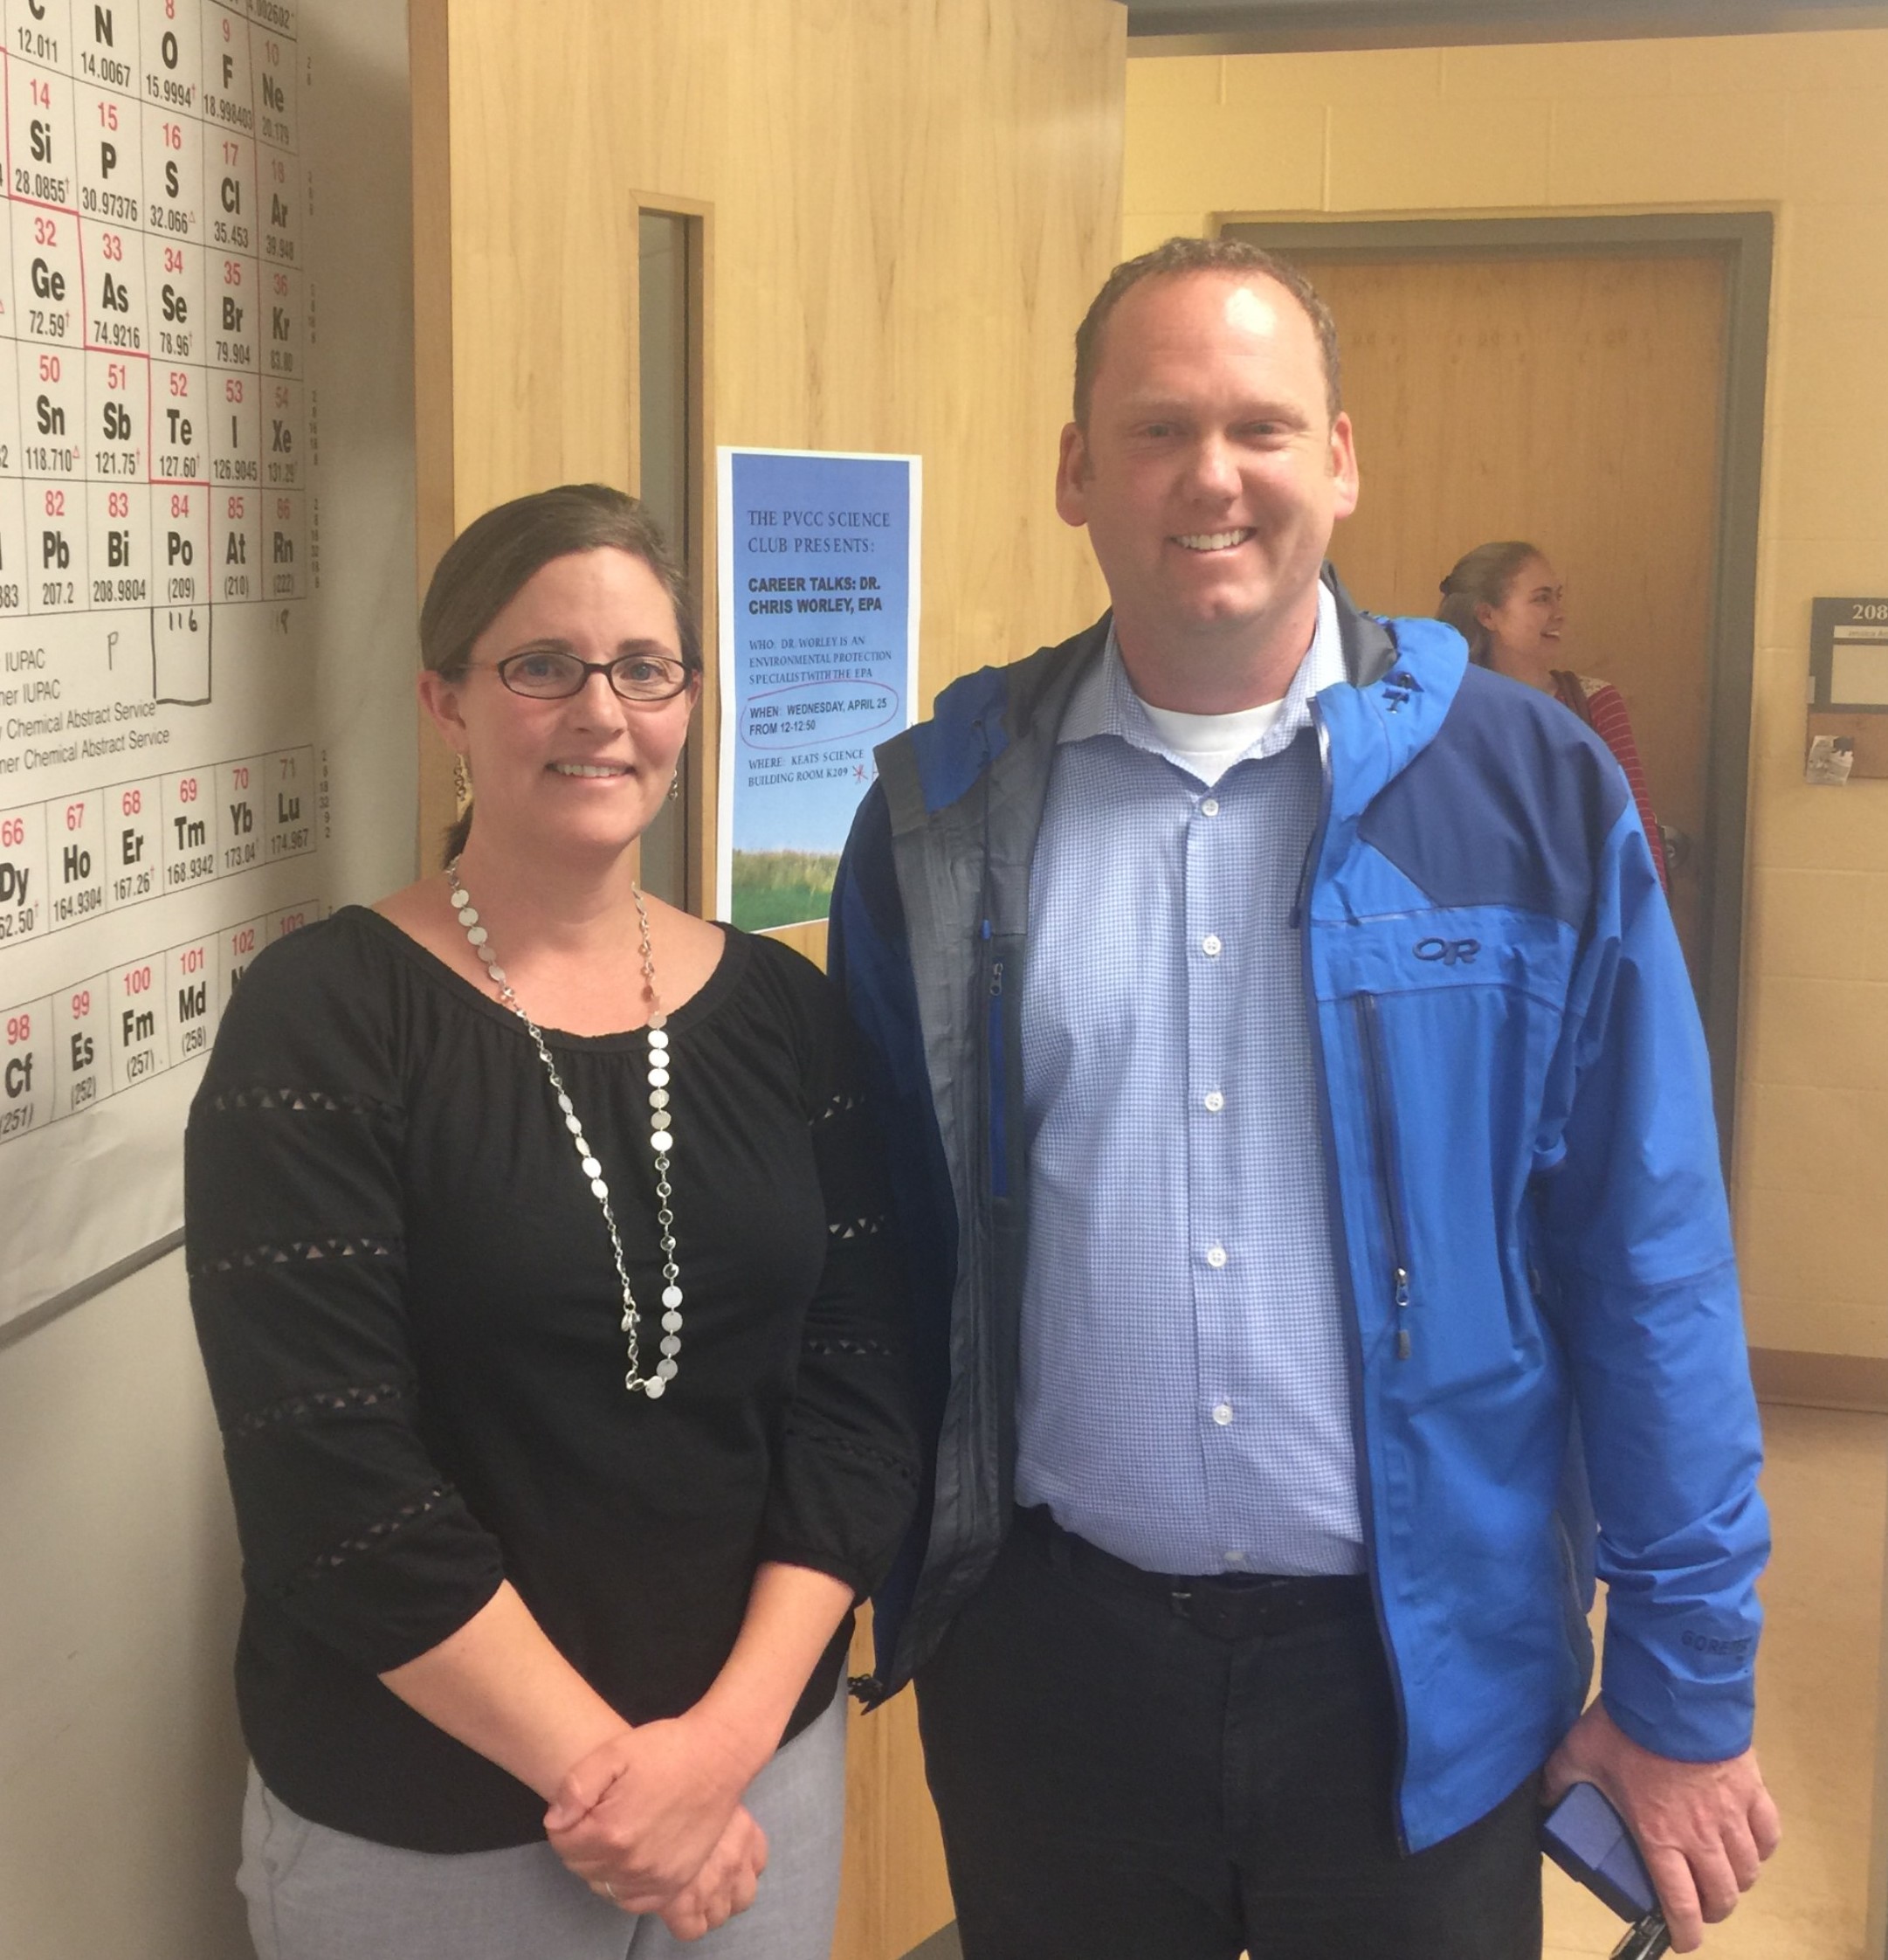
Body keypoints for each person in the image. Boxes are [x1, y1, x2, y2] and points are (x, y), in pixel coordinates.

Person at [829, 237, 1778, 1959]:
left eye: (1263, 427)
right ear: (1073, 470)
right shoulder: (938, 812)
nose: (1212, 476)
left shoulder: (1528, 790)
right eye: (1155, 428)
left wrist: (1682, 1681)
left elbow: (1649, 1255)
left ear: (1339, 460)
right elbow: (880, 1261)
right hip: (1053, 1675)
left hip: (1424, 1681)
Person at [185, 484, 919, 1960]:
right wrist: (619, 1783)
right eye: (541, 665)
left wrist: (710, 1756)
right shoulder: (322, 1016)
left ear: (689, 701)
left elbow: (862, 1386)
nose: (603, 709)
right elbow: (331, 1477)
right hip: (425, 1823)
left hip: (754, 1783)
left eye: (644, 666)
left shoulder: (786, 1010)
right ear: (445, 700)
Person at [1438, 541, 1671, 890]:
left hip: (1574, 915)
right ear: (1488, 615)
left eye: (1557, 596)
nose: (1559, 612)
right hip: (1470, 912)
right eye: (1541, 598)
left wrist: (1648, 918)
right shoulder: (1440, 705)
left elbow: (1634, 822)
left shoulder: (1593, 702)